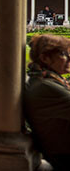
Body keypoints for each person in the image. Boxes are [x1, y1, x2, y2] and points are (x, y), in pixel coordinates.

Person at [24, 34, 70, 170]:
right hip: (63, 156)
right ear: (45, 58)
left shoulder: (43, 79)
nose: (69, 58)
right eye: (63, 54)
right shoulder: (46, 86)